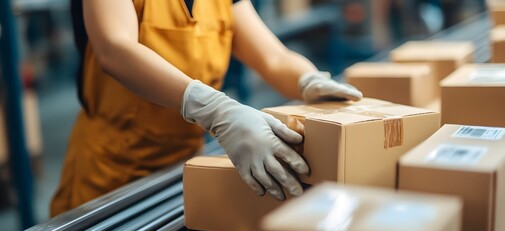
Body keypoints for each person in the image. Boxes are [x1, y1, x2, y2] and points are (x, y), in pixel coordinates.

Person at [50, 0, 362, 217]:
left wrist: (306, 79)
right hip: (110, 173)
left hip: (183, 166)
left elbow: (273, 58)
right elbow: (115, 49)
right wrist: (216, 109)